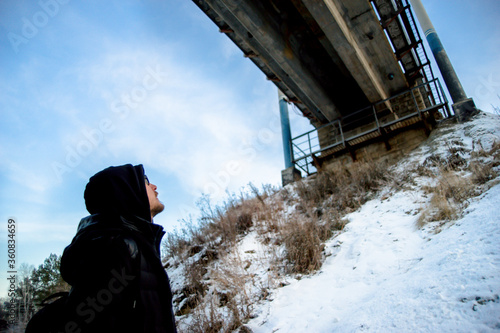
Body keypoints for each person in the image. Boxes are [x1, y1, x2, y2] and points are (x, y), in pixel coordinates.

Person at [59, 164, 177, 332]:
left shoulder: (136, 245)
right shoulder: (113, 248)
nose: (154, 186)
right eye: (145, 181)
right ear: (125, 190)